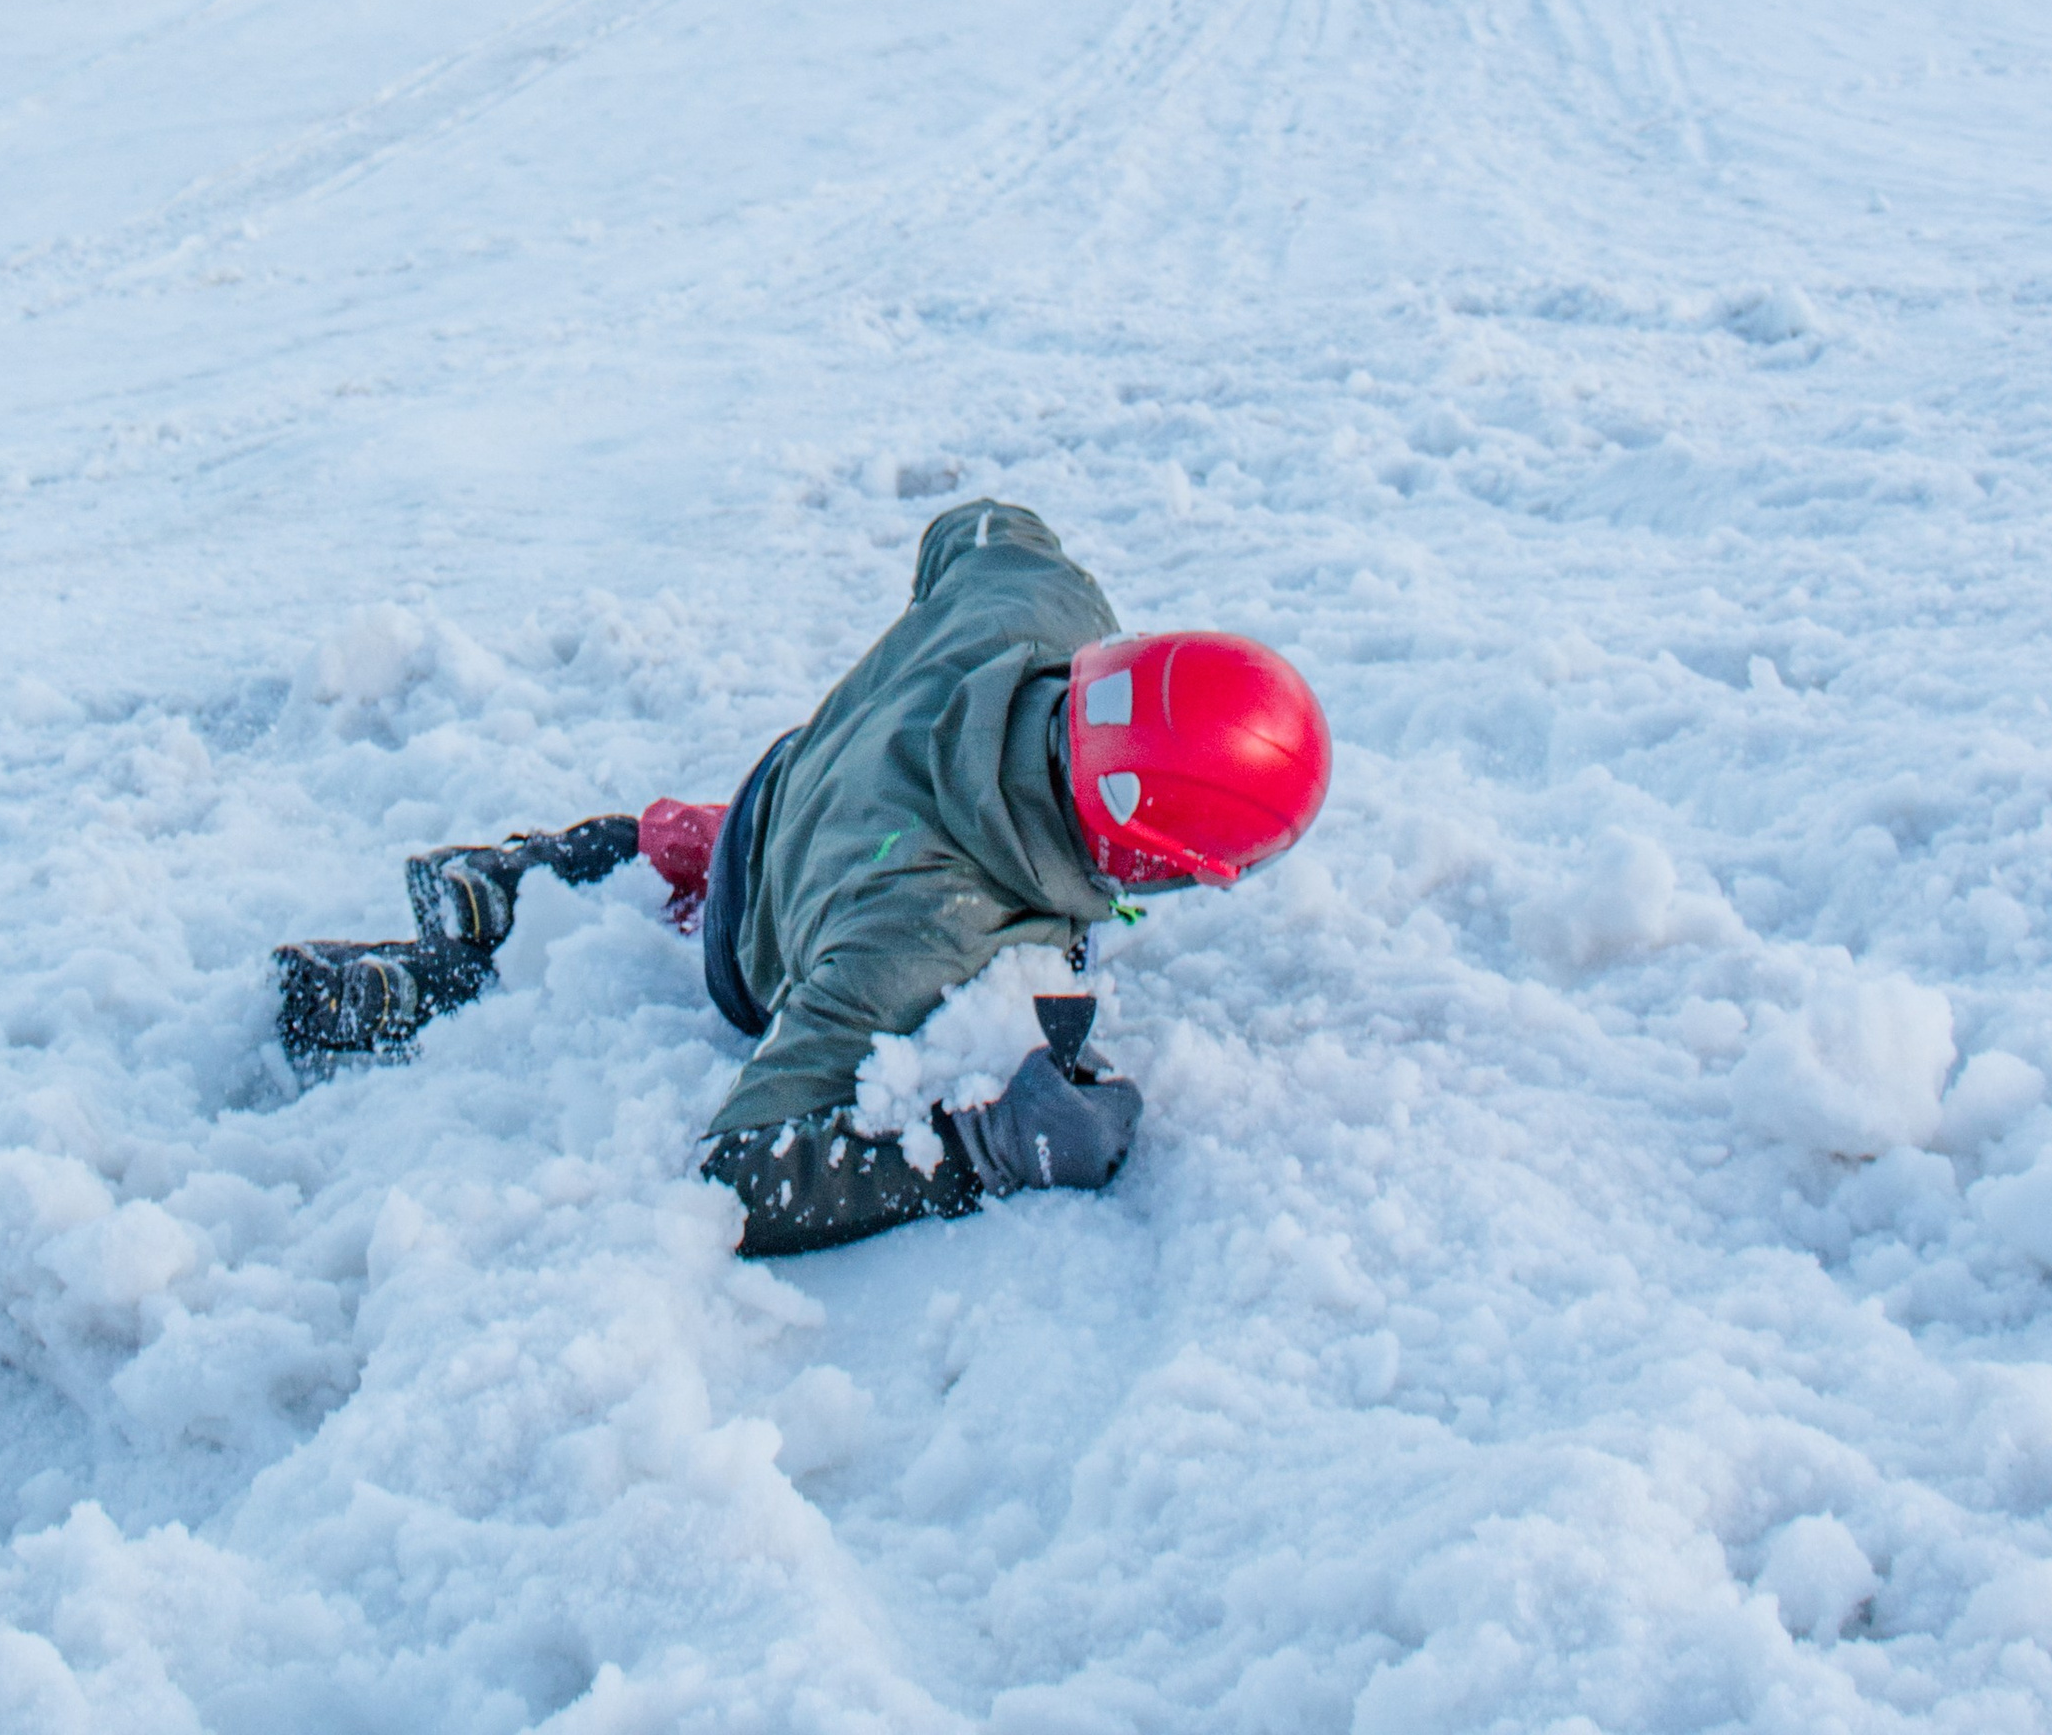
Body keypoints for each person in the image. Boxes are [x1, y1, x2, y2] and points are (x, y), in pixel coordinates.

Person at [275, 499, 1331, 1257]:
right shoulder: (926, 932)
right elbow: (741, 1173)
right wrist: (984, 1147)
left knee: (721, 837)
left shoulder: (1044, 607)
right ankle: (413, 996)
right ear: (1154, 859)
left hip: (807, 780)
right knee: (721, 908)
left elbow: (974, 528)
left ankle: (529, 879)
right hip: (767, 925)